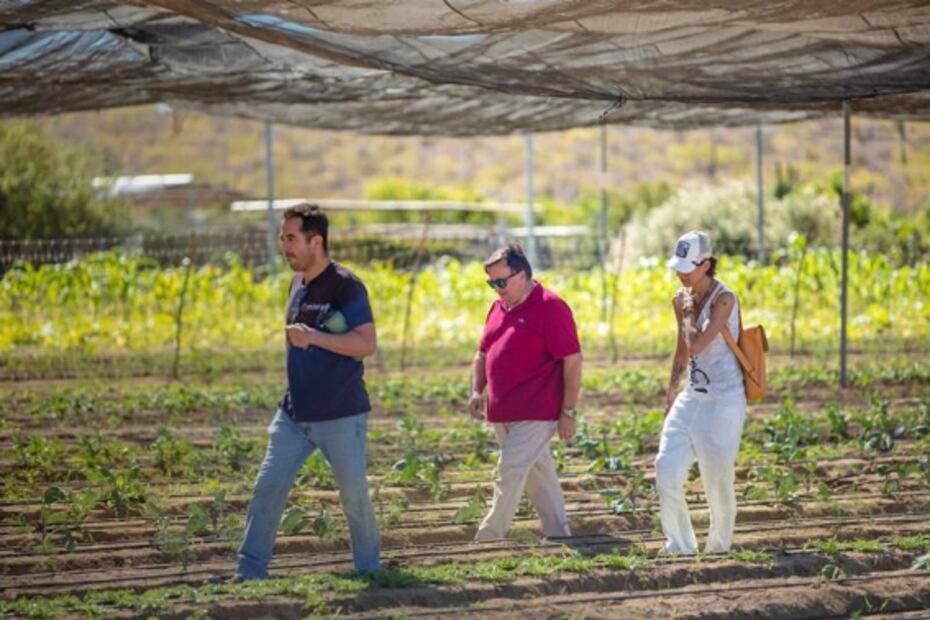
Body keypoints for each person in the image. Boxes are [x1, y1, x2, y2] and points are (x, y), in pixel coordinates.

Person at [235, 203, 380, 579]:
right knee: (267, 489)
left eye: (291, 238)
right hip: (294, 414)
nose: (284, 246)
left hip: (341, 414)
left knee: (354, 499)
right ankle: (249, 572)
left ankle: (370, 571)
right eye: (282, 238)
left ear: (316, 241)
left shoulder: (346, 285)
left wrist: (314, 337)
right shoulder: (297, 283)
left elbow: (366, 344)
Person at [467, 244, 582, 541]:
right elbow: (482, 353)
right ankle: (559, 533)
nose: (496, 289)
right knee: (537, 474)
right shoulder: (497, 308)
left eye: (501, 282)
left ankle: (489, 536)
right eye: (491, 283)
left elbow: (572, 360)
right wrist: (476, 391)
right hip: (502, 411)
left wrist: (568, 411)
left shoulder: (551, 307)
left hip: (537, 411)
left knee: (509, 471)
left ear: (522, 274)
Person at [655, 230, 746, 555]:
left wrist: (690, 312)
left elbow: (696, 345)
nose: (681, 274)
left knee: (717, 479)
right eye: (678, 267)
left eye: (688, 267)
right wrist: (670, 396)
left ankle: (718, 550)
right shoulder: (682, 300)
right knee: (665, 468)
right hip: (693, 395)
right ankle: (679, 544)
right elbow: (682, 351)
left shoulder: (725, 299)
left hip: (724, 399)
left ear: (706, 264)